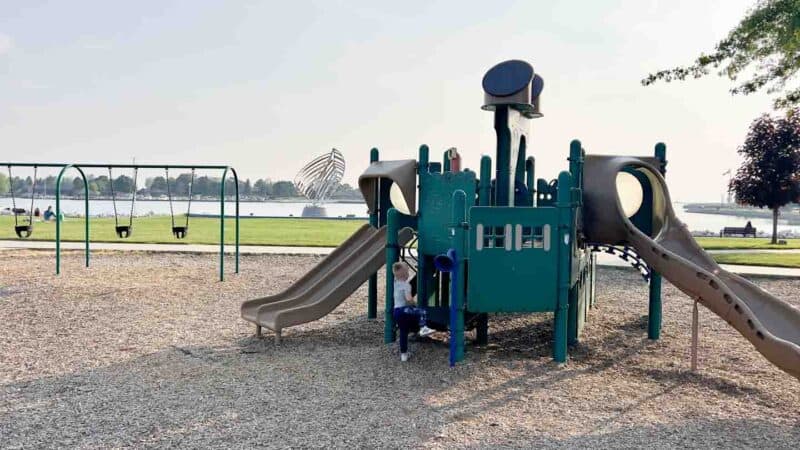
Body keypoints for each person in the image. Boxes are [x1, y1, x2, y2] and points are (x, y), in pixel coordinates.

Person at [392, 261, 434, 362]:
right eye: (407, 272)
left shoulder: (396, 283)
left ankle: (404, 355)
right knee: (422, 311)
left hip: (396, 312)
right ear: (405, 274)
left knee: (403, 331)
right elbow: (408, 299)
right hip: (404, 310)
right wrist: (415, 304)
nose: (408, 274)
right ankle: (423, 328)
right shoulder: (406, 285)